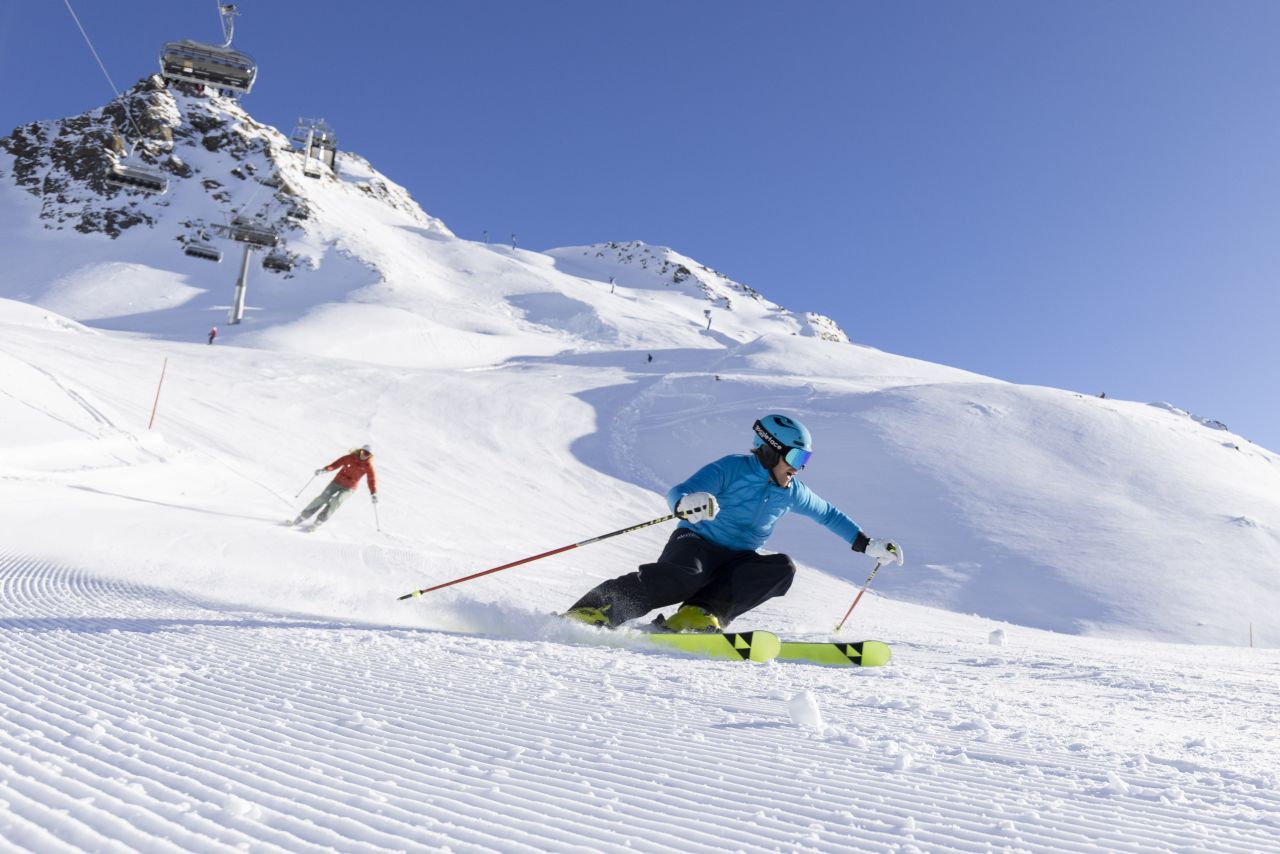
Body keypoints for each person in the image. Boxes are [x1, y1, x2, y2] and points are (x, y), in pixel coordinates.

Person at [562, 414, 903, 632]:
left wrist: (866, 544)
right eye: (796, 457)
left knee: (782, 568)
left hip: (737, 558)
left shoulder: (793, 491)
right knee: (685, 576)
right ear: (771, 450)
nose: (799, 467)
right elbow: (681, 492)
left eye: (806, 459)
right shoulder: (732, 468)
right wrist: (687, 503)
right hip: (695, 544)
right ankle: (598, 609)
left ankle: (697, 614)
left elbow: (828, 514)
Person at [291, 445, 378, 529]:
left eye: (367, 454)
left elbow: (371, 480)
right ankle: (303, 516)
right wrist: (325, 470)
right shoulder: (349, 458)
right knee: (323, 498)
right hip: (337, 482)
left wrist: (373, 493)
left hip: (349, 487)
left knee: (336, 501)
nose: (364, 455)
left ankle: (320, 520)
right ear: (360, 451)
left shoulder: (368, 466)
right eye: (363, 452)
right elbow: (335, 464)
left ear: (370, 456)